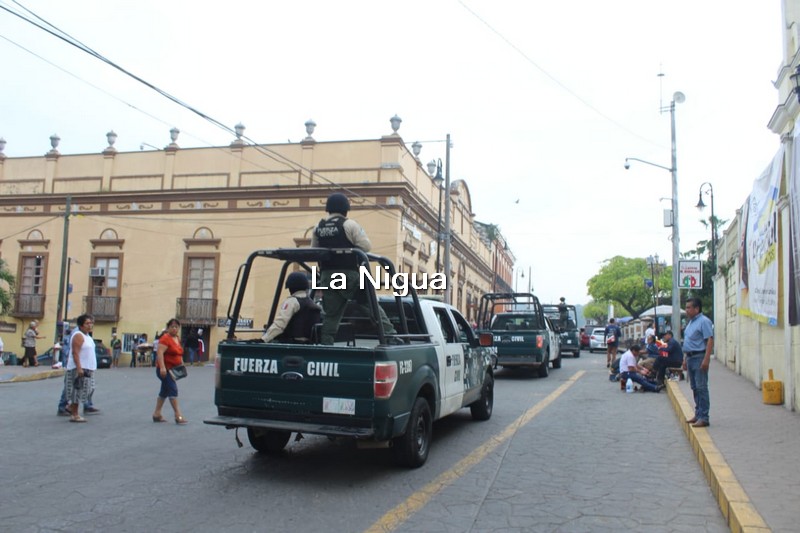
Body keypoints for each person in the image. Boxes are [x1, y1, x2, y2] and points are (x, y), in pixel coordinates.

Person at [311, 192, 396, 345]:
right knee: (369, 304)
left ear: (328, 209)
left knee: (331, 315)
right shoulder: (349, 224)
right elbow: (366, 246)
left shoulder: (318, 227)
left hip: (327, 276)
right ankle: (390, 335)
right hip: (348, 275)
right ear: (346, 209)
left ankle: (326, 344)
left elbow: (314, 250)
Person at [262, 272, 321, 343]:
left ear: (291, 287)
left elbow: (280, 324)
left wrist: (263, 339)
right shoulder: (311, 303)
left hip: (290, 344)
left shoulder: (292, 302)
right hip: (308, 345)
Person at [682, 297, 714, 427]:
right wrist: (685, 359)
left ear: (697, 308)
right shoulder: (690, 323)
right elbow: (688, 341)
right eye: (686, 307)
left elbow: (709, 340)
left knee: (701, 388)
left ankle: (704, 417)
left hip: (699, 357)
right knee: (695, 387)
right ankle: (698, 413)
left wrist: (706, 359)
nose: (687, 310)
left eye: (689, 307)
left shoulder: (704, 321)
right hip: (690, 357)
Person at [152, 318, 188, 424]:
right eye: (172, 327)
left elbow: (179, 353)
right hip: (165, 370)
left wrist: (181, 363)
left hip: (173, 369)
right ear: (168, 328)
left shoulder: (177, 338)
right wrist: (162, 367)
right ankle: (178, 415)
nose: (174, 329)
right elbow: (160, 354)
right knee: (173, 389)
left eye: (176, 327)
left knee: (164, 391)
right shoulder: (165, 339)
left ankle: (157, 414)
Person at [64, 314, 97, 423]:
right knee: (77, 390)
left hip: (88, 368)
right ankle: (74, 414)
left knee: (87, 390)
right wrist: (79, 368)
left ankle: (71, 408)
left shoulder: (88, 337)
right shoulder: (78, 335)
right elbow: (75, 353)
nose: (90, 325)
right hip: (79, 368)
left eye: (91, 323)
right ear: (81, 325)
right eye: (87, 323)